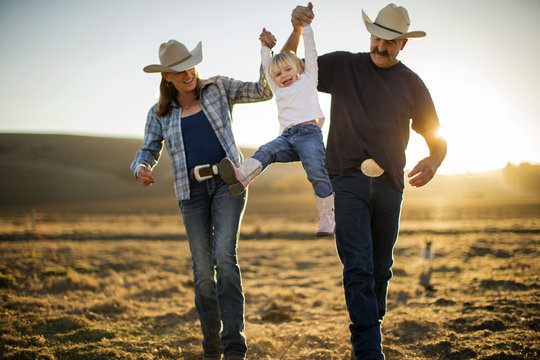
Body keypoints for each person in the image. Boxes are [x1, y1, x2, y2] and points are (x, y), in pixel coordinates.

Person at [284, 3, 447, 359]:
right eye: (376, 37)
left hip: (390, 186)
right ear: (369, 34)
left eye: (390, 42)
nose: (380, 46)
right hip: (345, 182)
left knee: (379, 271)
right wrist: (297, 31)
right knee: (357, 265)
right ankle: (369, 350)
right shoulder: (343, 66)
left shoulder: (412, 84)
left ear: (403, 43)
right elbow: (289, 69)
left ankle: (371, 332)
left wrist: (434, 160)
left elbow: (437, 137)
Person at [130, 38, 272, 360]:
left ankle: (235, 346)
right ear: (166, 76)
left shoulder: (218, 88)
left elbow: (263, 90)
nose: (187, 74)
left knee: (224, 257)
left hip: (228, 182)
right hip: (190, 192)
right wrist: (140, 167)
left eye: (190, 65)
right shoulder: (160, 112)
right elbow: (148, 150)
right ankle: (212, 348)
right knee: (203, 272)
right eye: (178, 71)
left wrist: (266, 54)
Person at [219, 22, 334, 237]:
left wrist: (307, 28)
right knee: (266, 150)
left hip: (309, 134)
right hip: (287, 137)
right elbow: (266, 65)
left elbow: (311, 53)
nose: (284, 75)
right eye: (278, 74)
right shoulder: (278, 89)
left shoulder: (309, 78)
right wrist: (264, 47)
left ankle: (327, 216)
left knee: (316, 172)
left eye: (288, 69)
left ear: (299, 68)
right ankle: (242, 176)